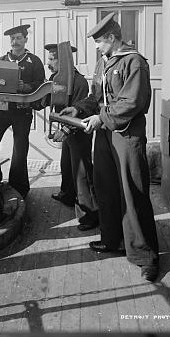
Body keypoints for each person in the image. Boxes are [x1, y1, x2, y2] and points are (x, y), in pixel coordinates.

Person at [60, 14, 159, 281]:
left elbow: (132, 102)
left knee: (133, 192)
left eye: (100, 43)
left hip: (127, 136)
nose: (97, 49)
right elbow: (96, 97)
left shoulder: (134, 62)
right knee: (105, 188)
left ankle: (145, 255)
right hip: (105, 135)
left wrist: (100, 118)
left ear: (112, 38)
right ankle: (112, 240)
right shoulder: (104, 62)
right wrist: (79, 109)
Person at [41, 43, 99, 231]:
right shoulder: (56, 79)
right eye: (49, 58)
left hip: (78, 132)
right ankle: (67, 195)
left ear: (65, 61)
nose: (48, 63)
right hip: (66, 131)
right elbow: (46, 101)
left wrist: (64, 130)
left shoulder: (78, 82)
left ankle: (90, 215)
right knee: (66, 164)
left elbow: (79, 114)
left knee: (82, 173)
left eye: (52, 59)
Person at [0, 24, 45, 198]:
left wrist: (26, 86)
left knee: (20, 150)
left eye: (18, 38)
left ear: (25, 39)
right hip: (3, 110)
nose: (14, 42)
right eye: (12, 39)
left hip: (23, 112)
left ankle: (19, 188)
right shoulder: (1, 60)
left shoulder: (34, 61)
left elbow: (41, 86)